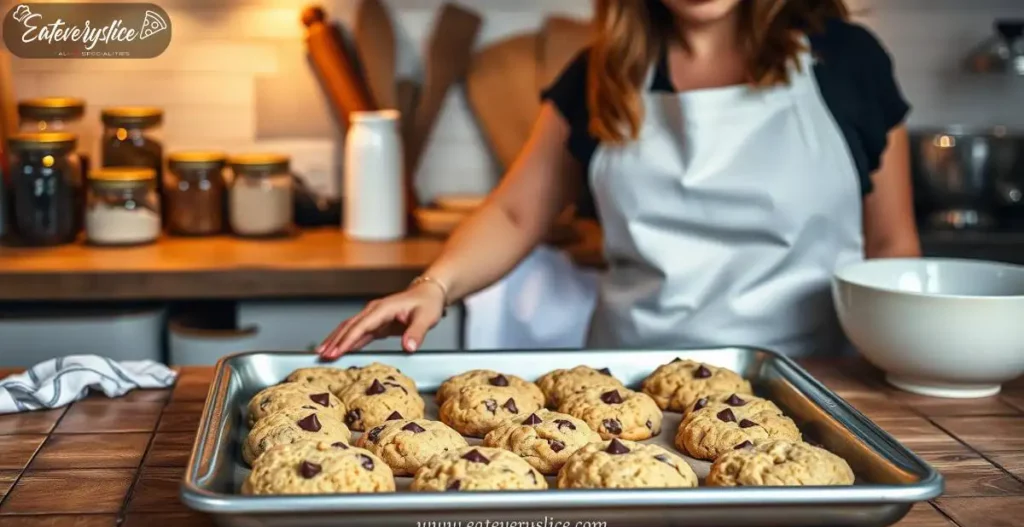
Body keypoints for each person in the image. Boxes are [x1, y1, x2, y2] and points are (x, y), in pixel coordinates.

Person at [318, 0, 920, 360]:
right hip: (630, 387)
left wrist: (894, 368)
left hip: (807, 378)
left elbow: (892, 246)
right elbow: (515, 214)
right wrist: (435, 286)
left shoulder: (846, 61)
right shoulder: (599, 76)